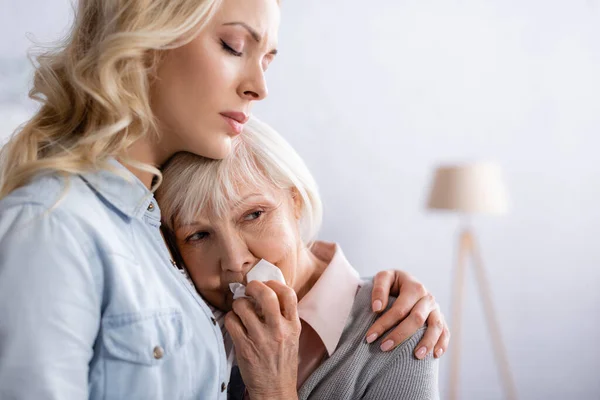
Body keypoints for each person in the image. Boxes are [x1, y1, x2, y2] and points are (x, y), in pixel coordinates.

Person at [0, 0, 448, 399]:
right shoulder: (62, 225)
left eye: (268, 59)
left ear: (295, 201)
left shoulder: (147, 231)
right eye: (234, 45)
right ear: (146, 42)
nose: (260, 87)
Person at [156, 117, 441, 399]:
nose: (233, 260)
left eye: (253, 215)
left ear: (295, 201)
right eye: (199, 235)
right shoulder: (181, 329)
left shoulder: (401, 333)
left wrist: (273, 391)